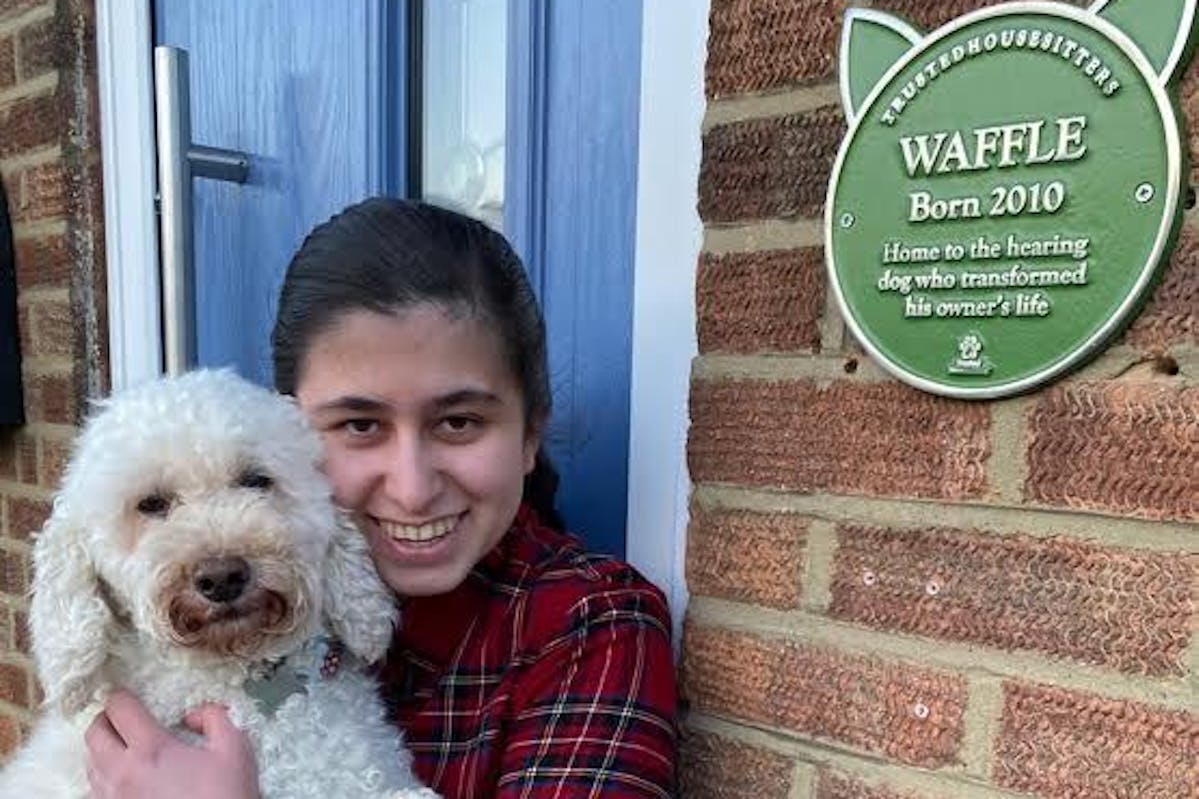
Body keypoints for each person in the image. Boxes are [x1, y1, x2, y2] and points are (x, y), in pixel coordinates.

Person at [84, 198, 679, 798]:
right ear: (284, 432)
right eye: (360, 426)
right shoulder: (149, 637)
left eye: (459, 422)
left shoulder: (590, 624)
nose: (412, 489)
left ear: (530, 436)